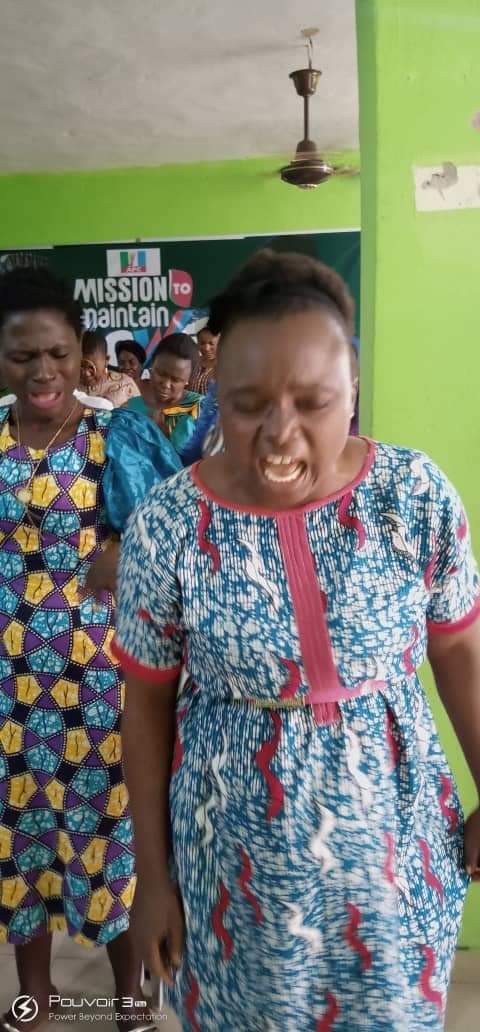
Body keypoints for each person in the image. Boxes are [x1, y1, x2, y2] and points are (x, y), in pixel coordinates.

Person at [114, 250, 480, 1032]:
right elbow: (144, 705)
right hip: (233, 864)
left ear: (352, 388)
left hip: (395, 846)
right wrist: (150, 879)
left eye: (313, 400)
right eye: (247, 404)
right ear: (215, 392)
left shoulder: (413, 497)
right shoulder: (168, 526)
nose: (280, 433)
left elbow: (458, 652)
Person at [0, 267, 180, 1032]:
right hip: (8, 691)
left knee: (109, 839)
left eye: (57, 353)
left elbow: (182, 535)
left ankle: (129, 997)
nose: (42, 372)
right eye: (20, 356)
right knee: (20, 842)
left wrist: (128, 558)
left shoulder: (119, 433)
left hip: (101, 690)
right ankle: (33, 996)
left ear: (82, 354)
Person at [127, 334, 202, 453]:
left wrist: (164, 438)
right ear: (152, 365)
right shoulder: (130, 406)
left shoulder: (200, 408)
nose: (166, 384)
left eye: (176, 380)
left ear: (188, 379)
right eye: (161, 374)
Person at [80, 330, 140, 407]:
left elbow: (140, 416)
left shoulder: (125, 384)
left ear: (106, 360)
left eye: (91, 368)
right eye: (80, 366)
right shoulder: (68, 386)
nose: (86, 373)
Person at [116, 340, 155, 409]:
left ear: (141, 364)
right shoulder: (112, 388)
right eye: (121, 363)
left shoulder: (153, 387)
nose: (126, 367)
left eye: (131, 362)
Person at [188, 324, 220, 396]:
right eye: (202, 343)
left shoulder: (226, 366)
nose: (206, 348)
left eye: (211, 343)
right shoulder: (193, 363)